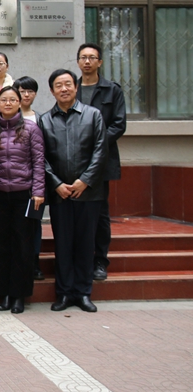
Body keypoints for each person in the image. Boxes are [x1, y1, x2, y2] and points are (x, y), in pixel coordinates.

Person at [40, 69, 107, 313]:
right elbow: (40, 157)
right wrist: (56, 183)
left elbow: (100, 150)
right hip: (60, 194)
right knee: (63, 245)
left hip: (88, 193)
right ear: (52, 91)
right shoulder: (45, 120)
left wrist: (84, 181)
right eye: (59, 85)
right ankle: (65, 293)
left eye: (68, 84)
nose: (64, 89)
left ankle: (83, 292)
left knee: (85, 244)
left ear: (76, 87)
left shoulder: (93, 115)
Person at [0, 87, 45, 315]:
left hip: (24, 195)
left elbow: (38, 162)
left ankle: (19, 294)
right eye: (4, 100)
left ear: (20, 102)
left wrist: (38, 191)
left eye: (12, 99)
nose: (8, 103)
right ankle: (4, 293)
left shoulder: (31, 129)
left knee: (22, 245)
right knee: (1, 246)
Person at [76, 43, 127, 281]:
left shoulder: (111, 90)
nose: (87, 62)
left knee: (100, 213)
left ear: (100, 62)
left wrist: (94, 143)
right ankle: (79, 259)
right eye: (83, 57)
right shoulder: (71, 88)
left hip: (101, 159)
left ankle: (99, 261)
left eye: (92, 57)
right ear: (78, 61)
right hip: (73, 160)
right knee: (77, 212)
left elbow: (119, 124)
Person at [12, 75, 44, 280]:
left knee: (34, 224)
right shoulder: (5, 119)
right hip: (12, 183)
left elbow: (42, 155)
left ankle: (34, 262)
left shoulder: (41, 119)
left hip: (34, 183)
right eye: (22, 91)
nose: (26, 95)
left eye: (30, 91)